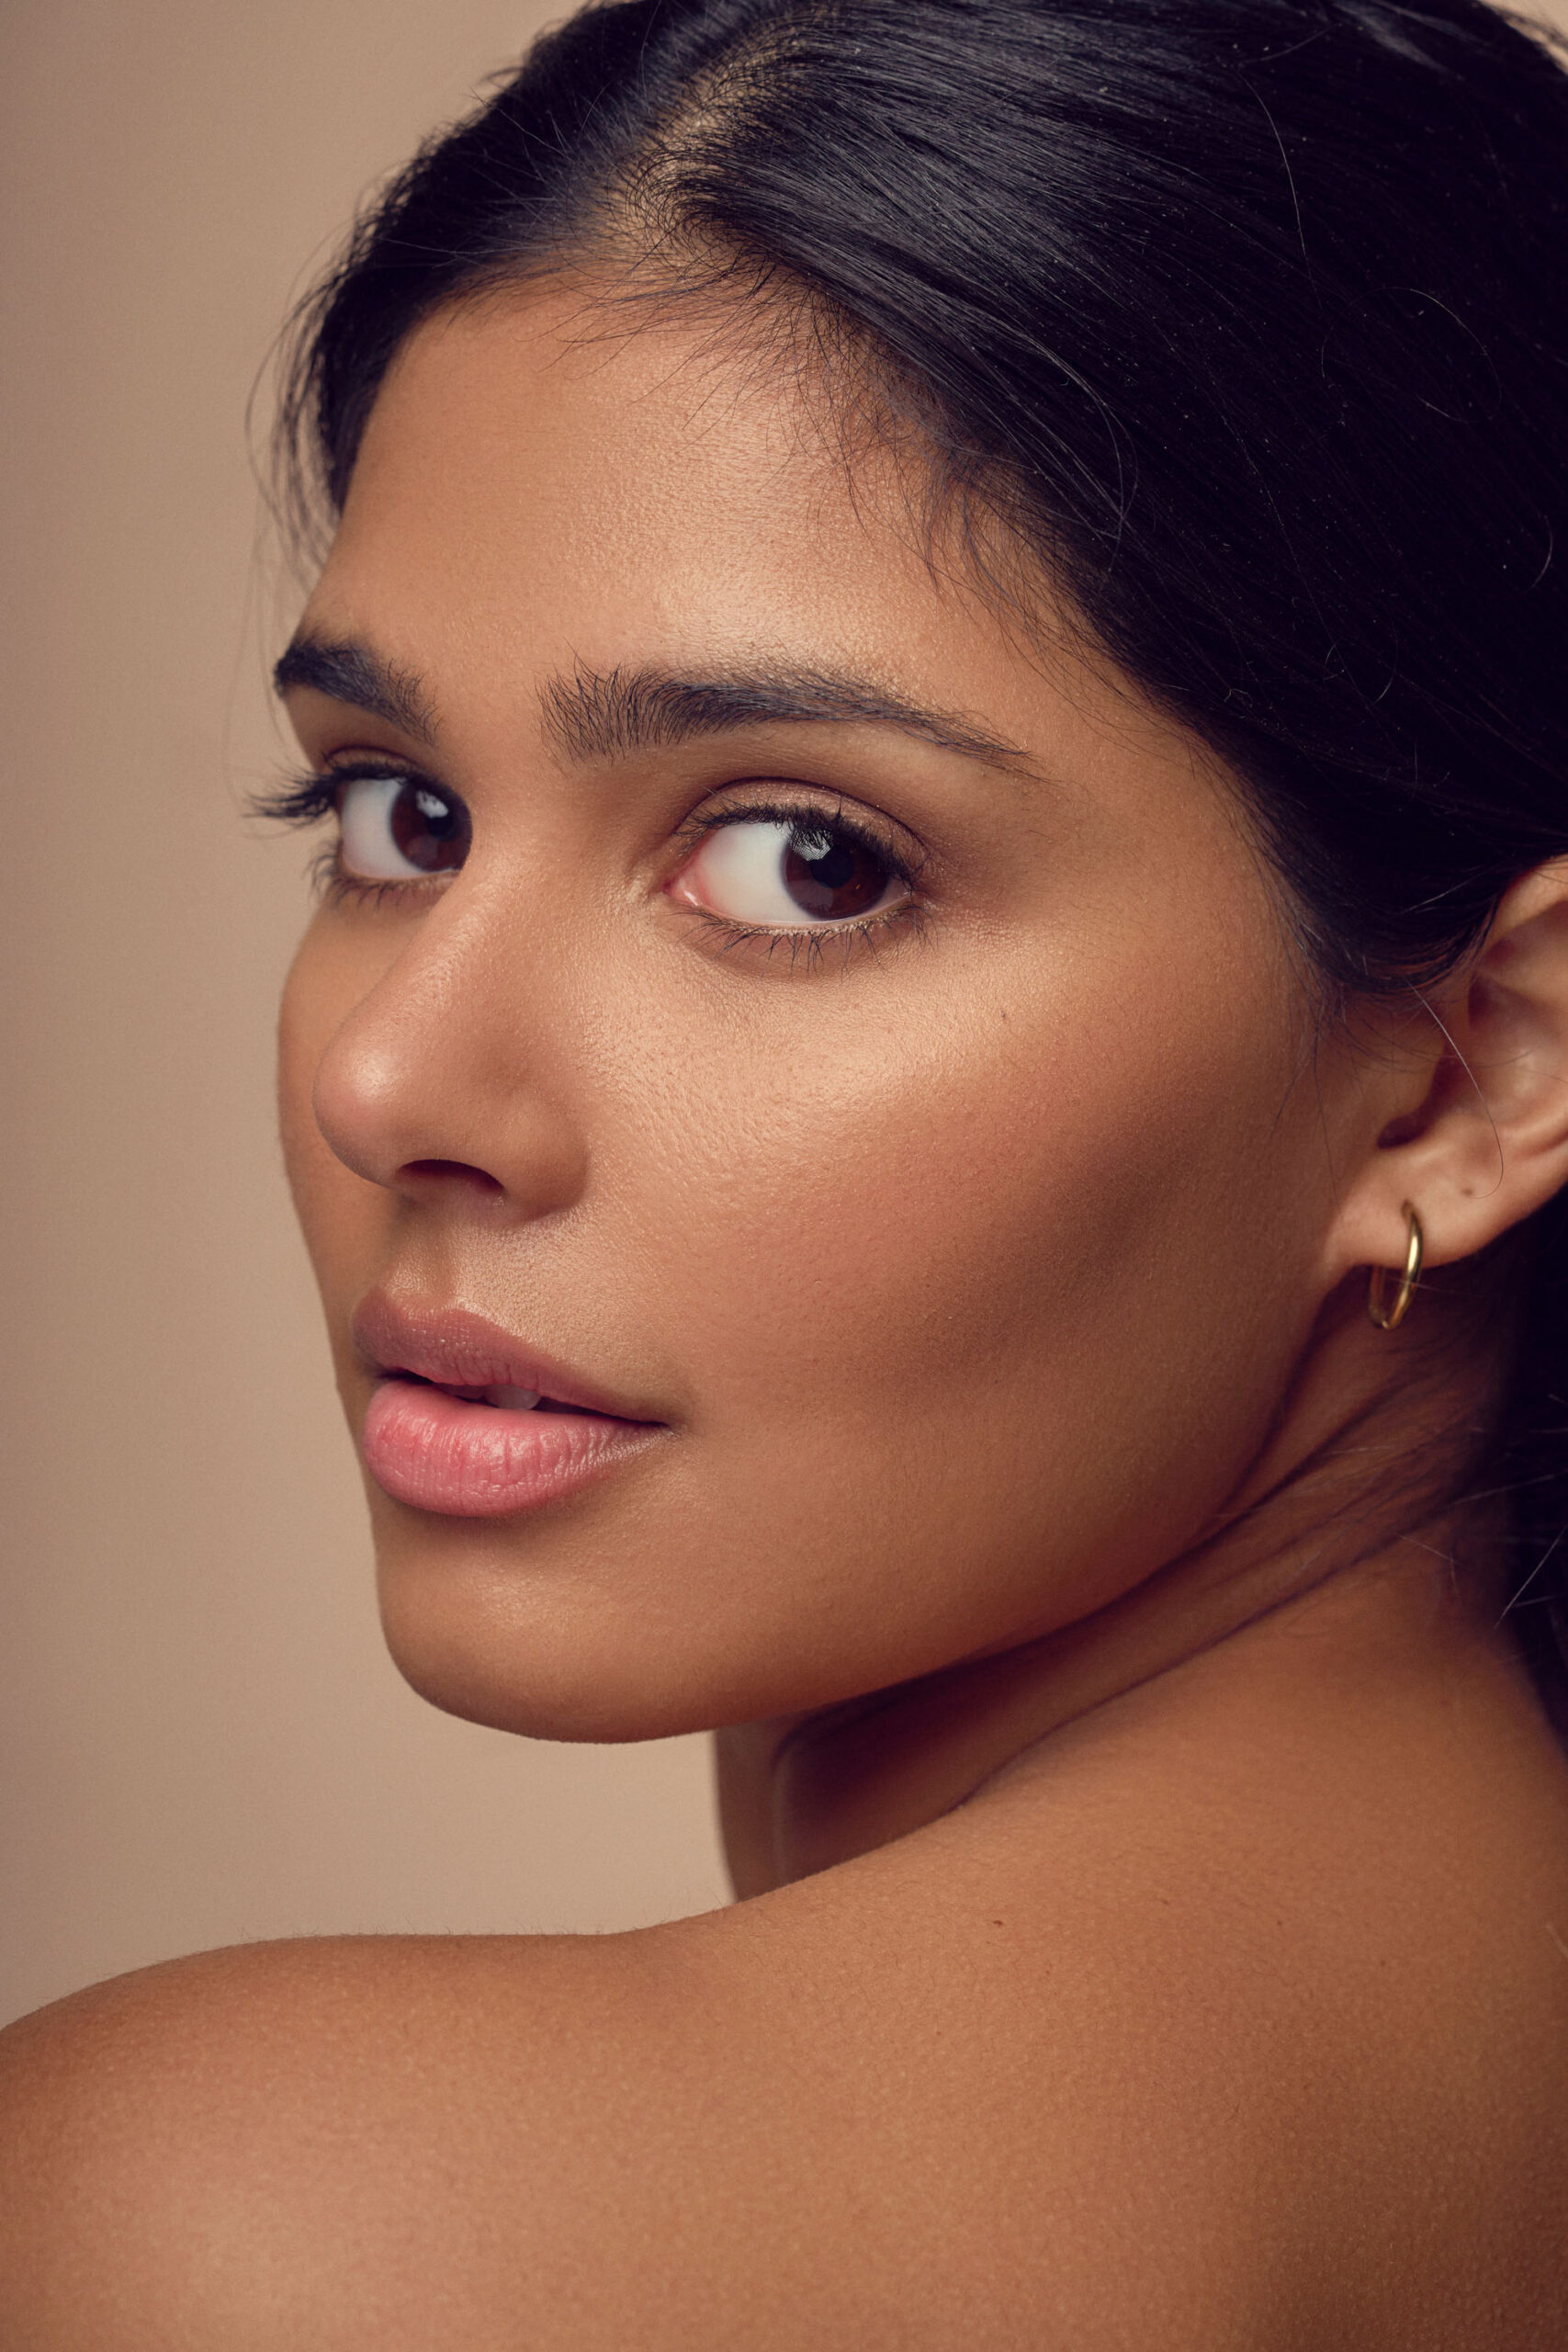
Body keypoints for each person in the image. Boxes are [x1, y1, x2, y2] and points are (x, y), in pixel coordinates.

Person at [5, 0, 1568, 2338]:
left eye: (804, 862)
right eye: (394, 815)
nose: (397, 1077)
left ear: (1467, 1075)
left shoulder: (257, 2234)